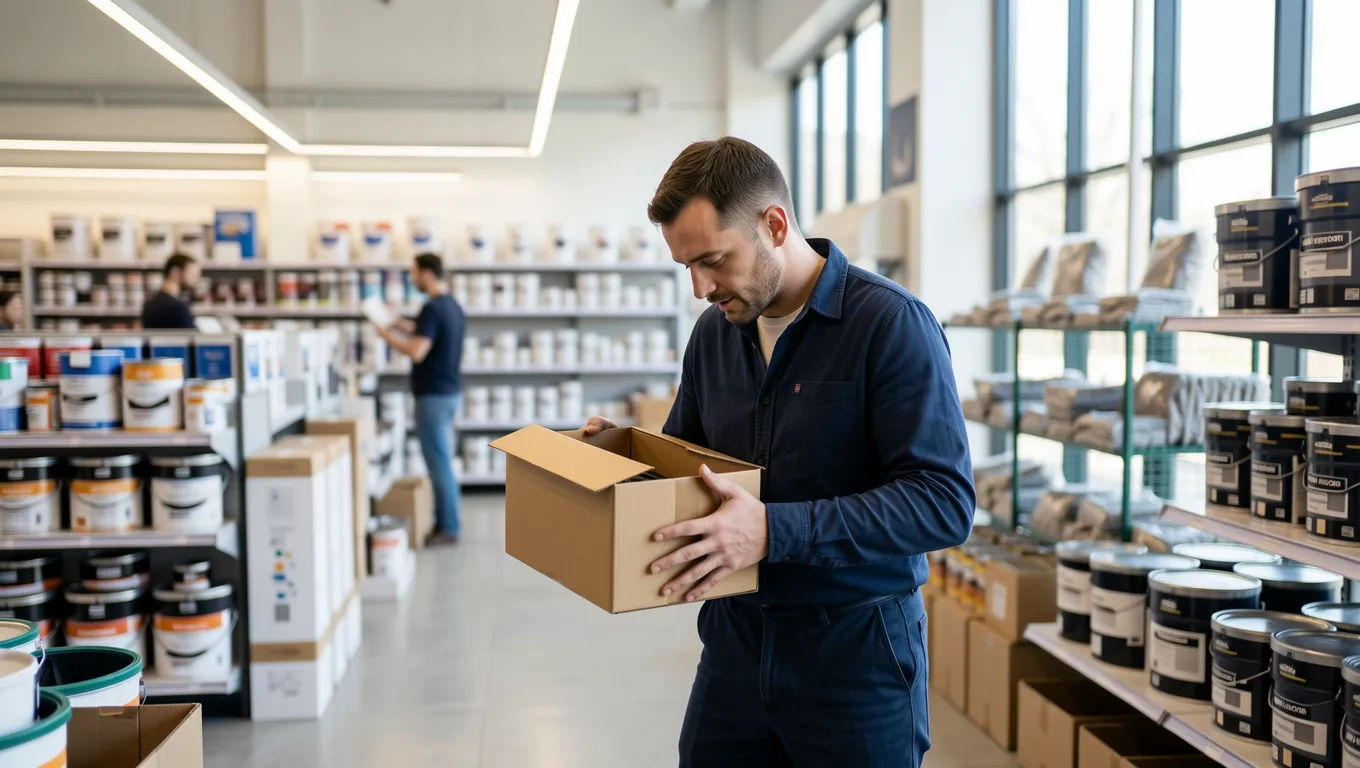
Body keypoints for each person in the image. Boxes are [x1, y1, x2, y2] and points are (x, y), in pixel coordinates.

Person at [584, 137, 974, 766]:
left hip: (854, 651)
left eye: (712, 259)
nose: (700, 287)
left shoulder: (890, 325)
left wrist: (772, 530)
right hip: (735, 644)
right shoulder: (714, 334)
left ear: (774, 224)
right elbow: (687, 464)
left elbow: (942, 504)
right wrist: (621, 460)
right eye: (686, 266)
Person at [372, 253, 466, 545]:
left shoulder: (431, 309)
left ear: (427, 273)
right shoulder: (452, 306)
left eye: (414, 273)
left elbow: (417, 351)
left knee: (438, 463)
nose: (412, 279)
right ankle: (448, 521)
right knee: (443, 460)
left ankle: (448, 527)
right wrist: (397, 324)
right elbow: (426, 335)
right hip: (450, 393)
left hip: (433, 396)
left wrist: (385, 336)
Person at [141, 253, 199, 329]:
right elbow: (190, 338)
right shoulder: (178, 307)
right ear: (175, 272)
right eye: (192, 274)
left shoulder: (150, 303)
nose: (196, 279)